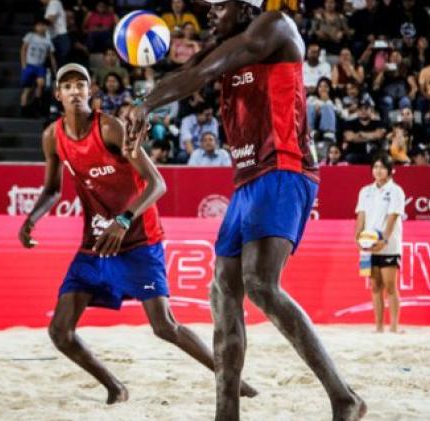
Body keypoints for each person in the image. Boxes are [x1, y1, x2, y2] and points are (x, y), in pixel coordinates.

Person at [122, 3, 366, 420]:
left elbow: (197, 75)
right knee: (223, 288)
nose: (210, 13)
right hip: (249, 178)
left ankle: (344, 398)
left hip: (285, 167)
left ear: (247, 5)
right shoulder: (225, 44)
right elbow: (186, 73)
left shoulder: (273, 26)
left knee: (259, 283)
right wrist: (141, 102)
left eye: (219, 5)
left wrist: (147, 105)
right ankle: (226, 411)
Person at [18, 63, 257, 406]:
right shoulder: (52, 136)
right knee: (60, 331)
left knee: (164, 326)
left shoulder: (110, 128)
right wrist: (32, 218)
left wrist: (125, 219)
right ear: (57, 95)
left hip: (138, 238)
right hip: (97, 243)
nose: (74, 91)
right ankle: (115, 387)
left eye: (80, 85)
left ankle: (233, 381)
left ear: (90, 92)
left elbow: (157, 183)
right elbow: (52, 190)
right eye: (66, 86)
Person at [355, 154, 405, 333]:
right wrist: (357, 238)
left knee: (390, 286)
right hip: (368, 246)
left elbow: (393, 217)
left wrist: (383, 240)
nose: (378, 170)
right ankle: (378, 327)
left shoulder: (396, 191)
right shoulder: (365, 191)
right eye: (375, 167)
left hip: (389, 245)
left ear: (391, 171)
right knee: (375, 286)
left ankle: (394, 328)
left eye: (382, 167)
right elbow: (361, 215)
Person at [20, 18, 56, 116]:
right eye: (39, 25)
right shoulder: (30, 36)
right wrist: (24, 65)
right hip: (29, 65)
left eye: (44, 25)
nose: (41, 27)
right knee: (27, 89)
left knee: (41, 84)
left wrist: (55, 69)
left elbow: (51, 56)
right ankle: (23, 109)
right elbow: (23, 49)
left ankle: (36, 104)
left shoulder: (47, 41)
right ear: (35, 27)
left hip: (40, 66)